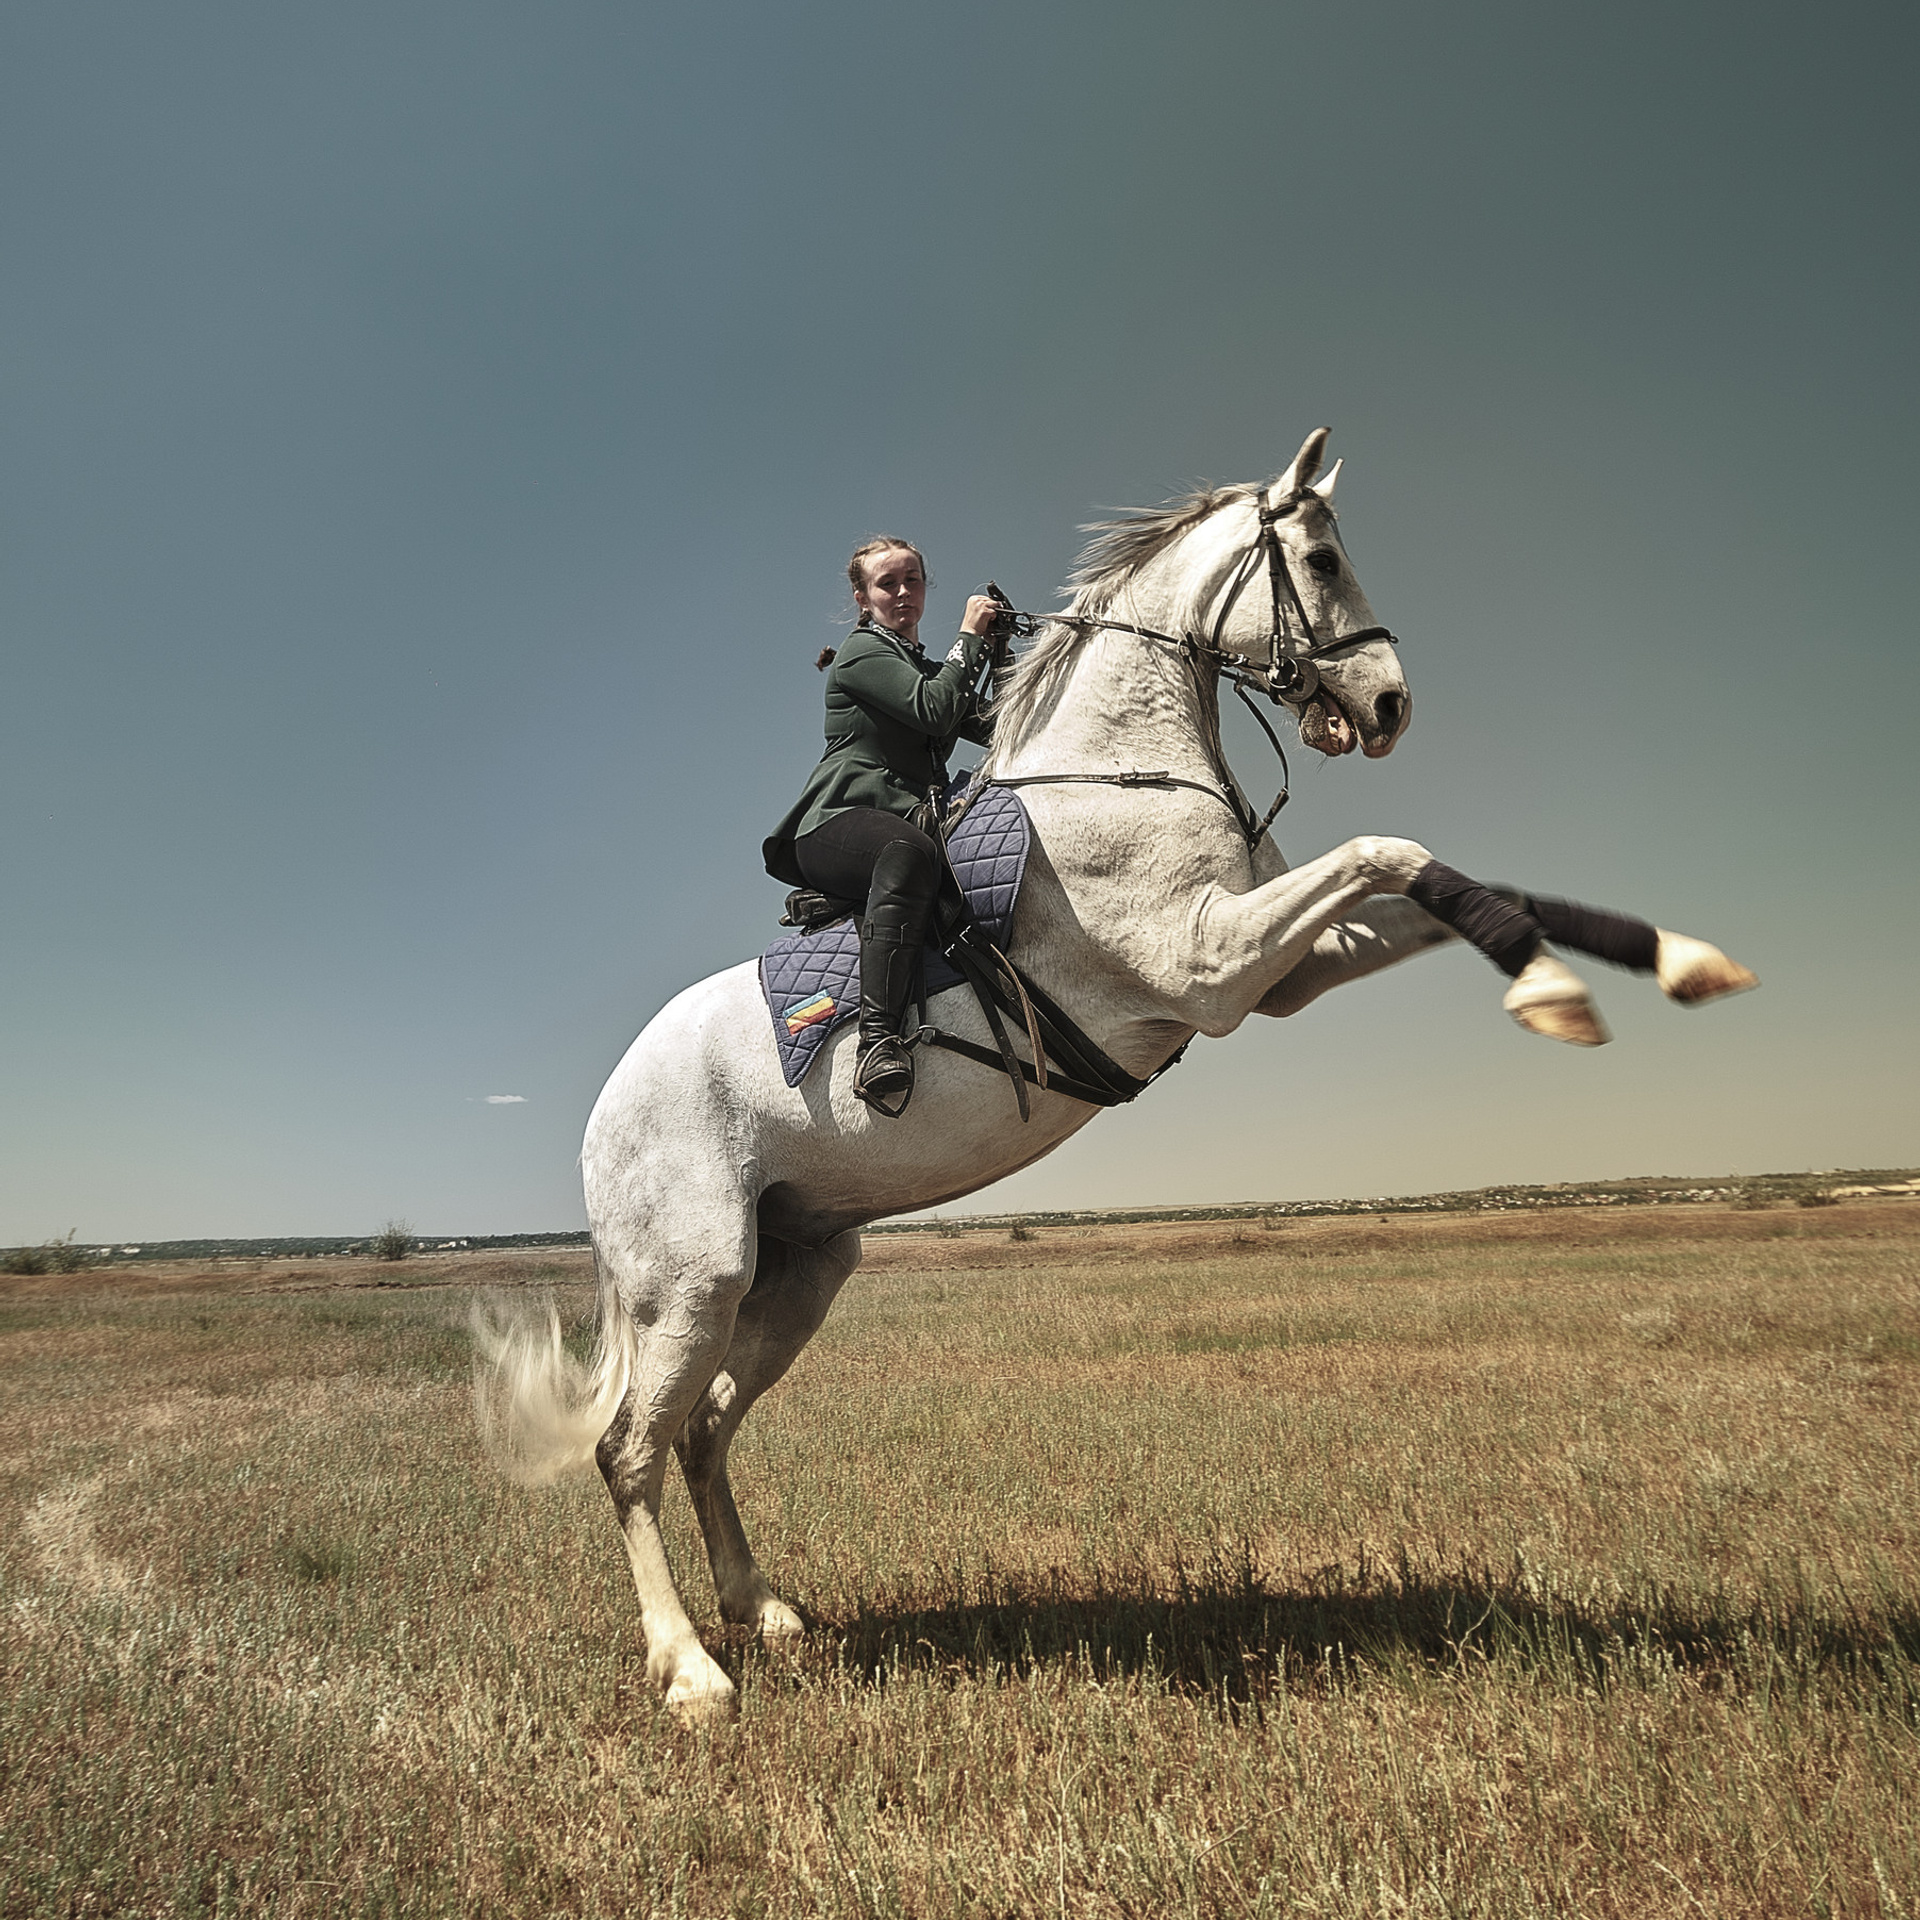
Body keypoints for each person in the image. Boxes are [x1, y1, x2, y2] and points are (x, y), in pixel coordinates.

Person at [764, 538, 1005, 1117]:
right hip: (836, 821)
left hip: (904, 819)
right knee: (908, 851)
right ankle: (877, 1043)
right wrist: (969, 638)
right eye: (887, 584)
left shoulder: (926, 667)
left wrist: (999, 654)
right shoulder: (860, 653)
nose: (902, 593)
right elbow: (935, 712)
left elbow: (1001, 726)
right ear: (863, 597)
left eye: (912, 580)